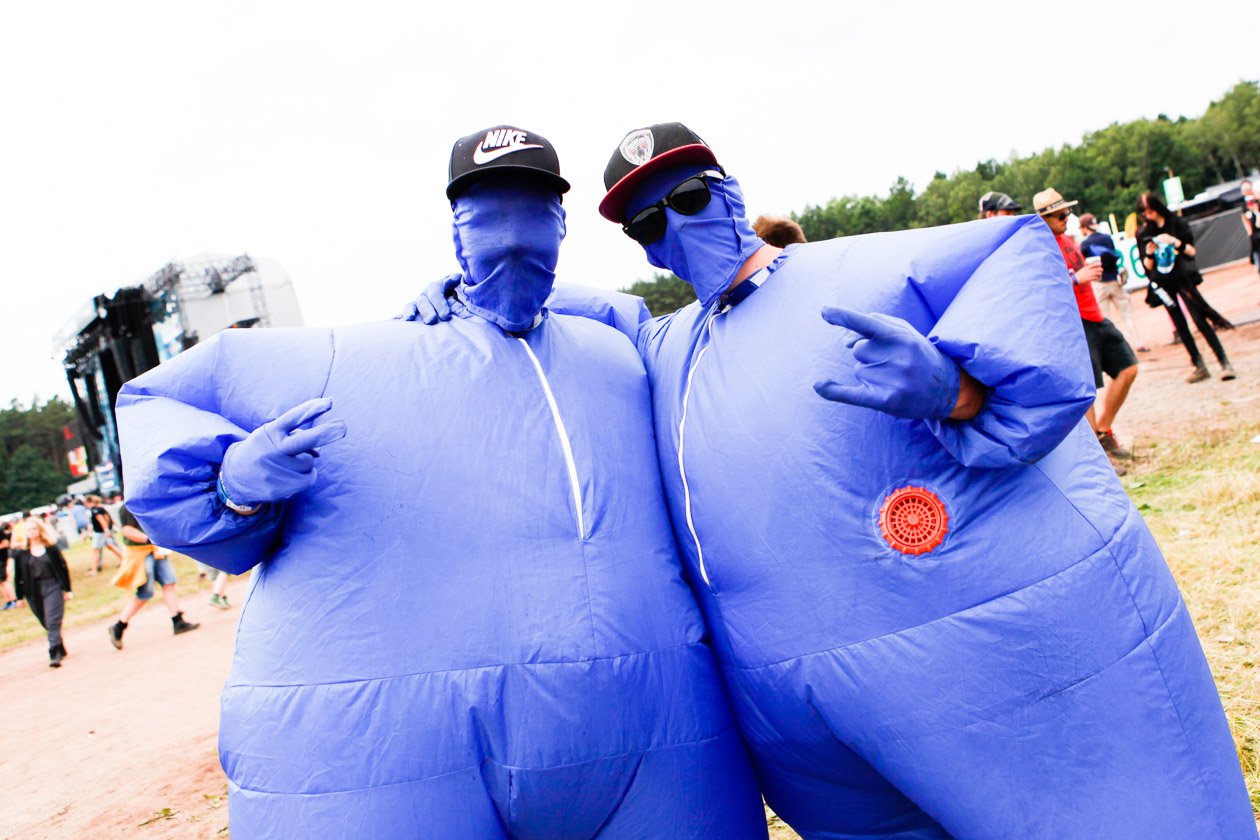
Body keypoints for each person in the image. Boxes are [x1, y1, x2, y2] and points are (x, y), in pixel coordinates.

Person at [413, 122, 1250, 839]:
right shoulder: (666, 347)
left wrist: (956, 392)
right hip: (812, 733)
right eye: (647, 224)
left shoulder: (865, 278)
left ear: (729, 192)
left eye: (690, 199)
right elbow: (557, 303)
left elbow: (1017, 291)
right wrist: (461, 283)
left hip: (978, 673)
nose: (673, 228)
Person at [115, 125, 767, 839]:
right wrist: (231, 485)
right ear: (456, 227)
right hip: (409, 741)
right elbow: (160, 401)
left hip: (651, 726)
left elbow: (631, 320)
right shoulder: (355, 360)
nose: (513, 233)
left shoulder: (622, 346)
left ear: (562, 222)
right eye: (488, 212)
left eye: (533, 209)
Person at [1035, 189, 1139, 464]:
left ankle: (1103, 431)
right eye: (1060, 214)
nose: (1066, 217)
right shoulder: (1040, 246)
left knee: (1128, 368)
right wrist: (1075, 278)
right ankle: (1099, 460)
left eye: (1067, 212)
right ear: (1044, 218)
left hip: (1094, 316)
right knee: (1087, 391)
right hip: (1073, 323)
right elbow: (1042, 288)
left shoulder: (1068, 239)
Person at [1136, 191, 1237, 382]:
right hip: (1163, 284)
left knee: (1200, 320)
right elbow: (1146, 268)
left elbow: (1191, 252)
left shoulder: (1176, 223)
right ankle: (1198, 365)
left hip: (1183, 279)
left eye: (1151, 211)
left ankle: (1223, 361)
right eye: (1145, 213)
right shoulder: (1144, 233)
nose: (1148, 216)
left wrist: (1175, 242)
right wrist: (1150, 254)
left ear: (1158, 208)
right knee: (1180, 325)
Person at [105, 503, 200, 649]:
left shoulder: (149, 500)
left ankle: (177, 621)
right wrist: (149, 539)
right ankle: (119, 626)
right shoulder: (128, 506)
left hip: (156, 549)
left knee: (169, 582)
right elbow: (127, 530)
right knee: (145, 592)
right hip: (140, 553)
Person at [10, 516, 72, 667]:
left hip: (52, 586)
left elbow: (63, 569)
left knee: (52, 620)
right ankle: (58, 643)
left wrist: (67, 589)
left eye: (34, 529)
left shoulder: (50, 549)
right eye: (28, 529)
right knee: (45, 621)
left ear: (40, 530)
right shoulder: (21, 554)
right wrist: (19, 597)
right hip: (33, 591)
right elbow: (18, 576)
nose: (31, 532)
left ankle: (54, 652)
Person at [87, 494, 122, 573]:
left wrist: (106, 530)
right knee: (111, 547)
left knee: (96, 551)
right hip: (105, 532)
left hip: (100, 533)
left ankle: (94, 570)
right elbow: (109, 519)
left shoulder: (95, 510)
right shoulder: (102, 508)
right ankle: (123, 559)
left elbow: (101, 520)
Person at [1241, 178, 1260, 279]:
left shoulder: (1257, 201)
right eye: (1244, 189)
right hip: (1255, 239)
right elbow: (1245, 221)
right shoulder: (1244, 206)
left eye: (1248, 188)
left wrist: (1256, 211)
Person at [1, 520, 21, 610]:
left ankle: (14, 600)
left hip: (1, 559)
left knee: (5, 580)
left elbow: (6, 543)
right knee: (1, 582)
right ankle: (8, 601)